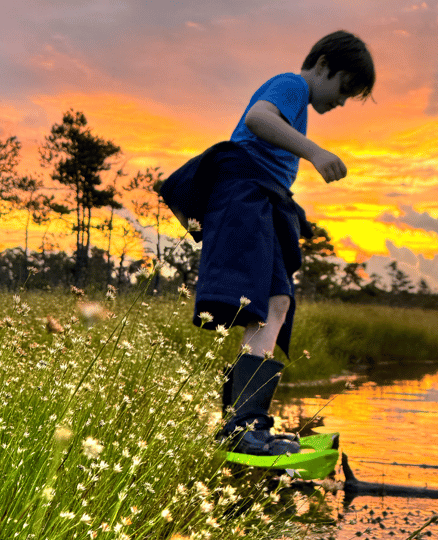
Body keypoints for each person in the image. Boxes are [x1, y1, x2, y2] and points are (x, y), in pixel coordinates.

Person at [160, 30, 375, 456]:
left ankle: (244, 426)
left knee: (277, 303)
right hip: (244, 196)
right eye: (345, 88)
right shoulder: (292, 84)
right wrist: (315, 153)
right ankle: (243, 427)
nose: (342, 101)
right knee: (261, 303)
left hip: (263, 200)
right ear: (324, 65)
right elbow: (259, 118)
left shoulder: (300, 99)